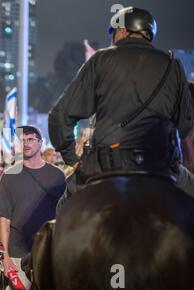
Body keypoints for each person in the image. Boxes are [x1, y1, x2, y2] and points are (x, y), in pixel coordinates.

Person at [48, 7, 193, 197]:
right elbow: (185, 124)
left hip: (106, 164)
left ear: (123, 31)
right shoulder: (173, 65)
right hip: (161, 163)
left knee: (64, 206)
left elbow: (60, 117)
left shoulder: (101, 59)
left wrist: (72, 158)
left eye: (113, 34)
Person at [0, 126, 66, 290]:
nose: (26, 143)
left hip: (47, 252)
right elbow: (4, 221)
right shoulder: (9, 176)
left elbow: (63, 217)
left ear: (40, 143)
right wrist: (5, 257)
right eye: (22, 140)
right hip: (17, 255)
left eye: (31, 139)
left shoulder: (57, 176)